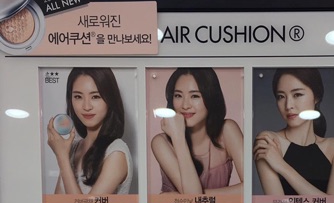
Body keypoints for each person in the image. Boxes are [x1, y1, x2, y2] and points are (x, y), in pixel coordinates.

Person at [253, 68, 334, 196]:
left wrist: (282, 166)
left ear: (316, 97)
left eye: (297, 95)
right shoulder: (268, 142)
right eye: (281, 97)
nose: (288, 105)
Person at [151, 68, 243, 195]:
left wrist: (179, 198)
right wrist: (178, 137)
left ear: (210, 97)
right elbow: (193, 199)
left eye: (194, 96)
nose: (185, 105)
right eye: (178, 96)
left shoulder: (227, 131)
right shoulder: (161, 142)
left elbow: (250, 189)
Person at [47, 67, 132, 195]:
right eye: (78, 96)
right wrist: (64, 156)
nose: (86, 106)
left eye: (95, 96)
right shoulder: (73, 148)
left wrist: (62, 158)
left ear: (110, 99)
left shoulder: (116, 152)